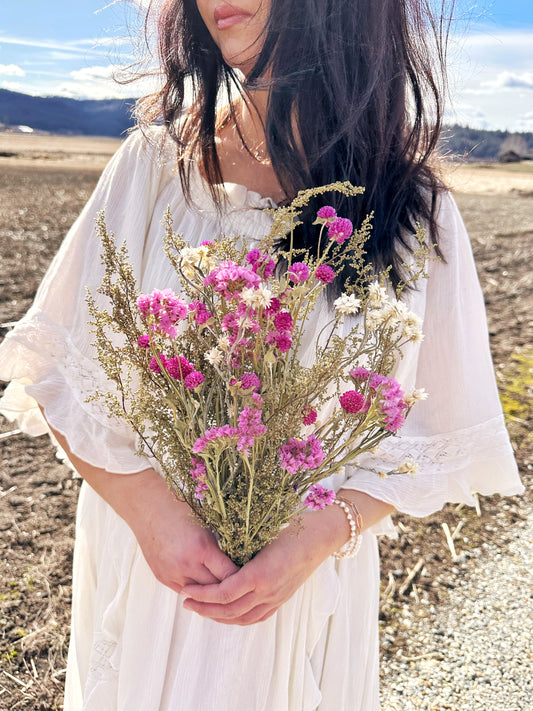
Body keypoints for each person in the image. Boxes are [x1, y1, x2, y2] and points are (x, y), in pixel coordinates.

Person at [0, 1, 524, 709]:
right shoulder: (157, 169)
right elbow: (55, 366)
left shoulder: (410, 211)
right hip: (157, 581)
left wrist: (314, 538)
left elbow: (428, 437)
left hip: (298, 600)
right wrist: (152, 514)